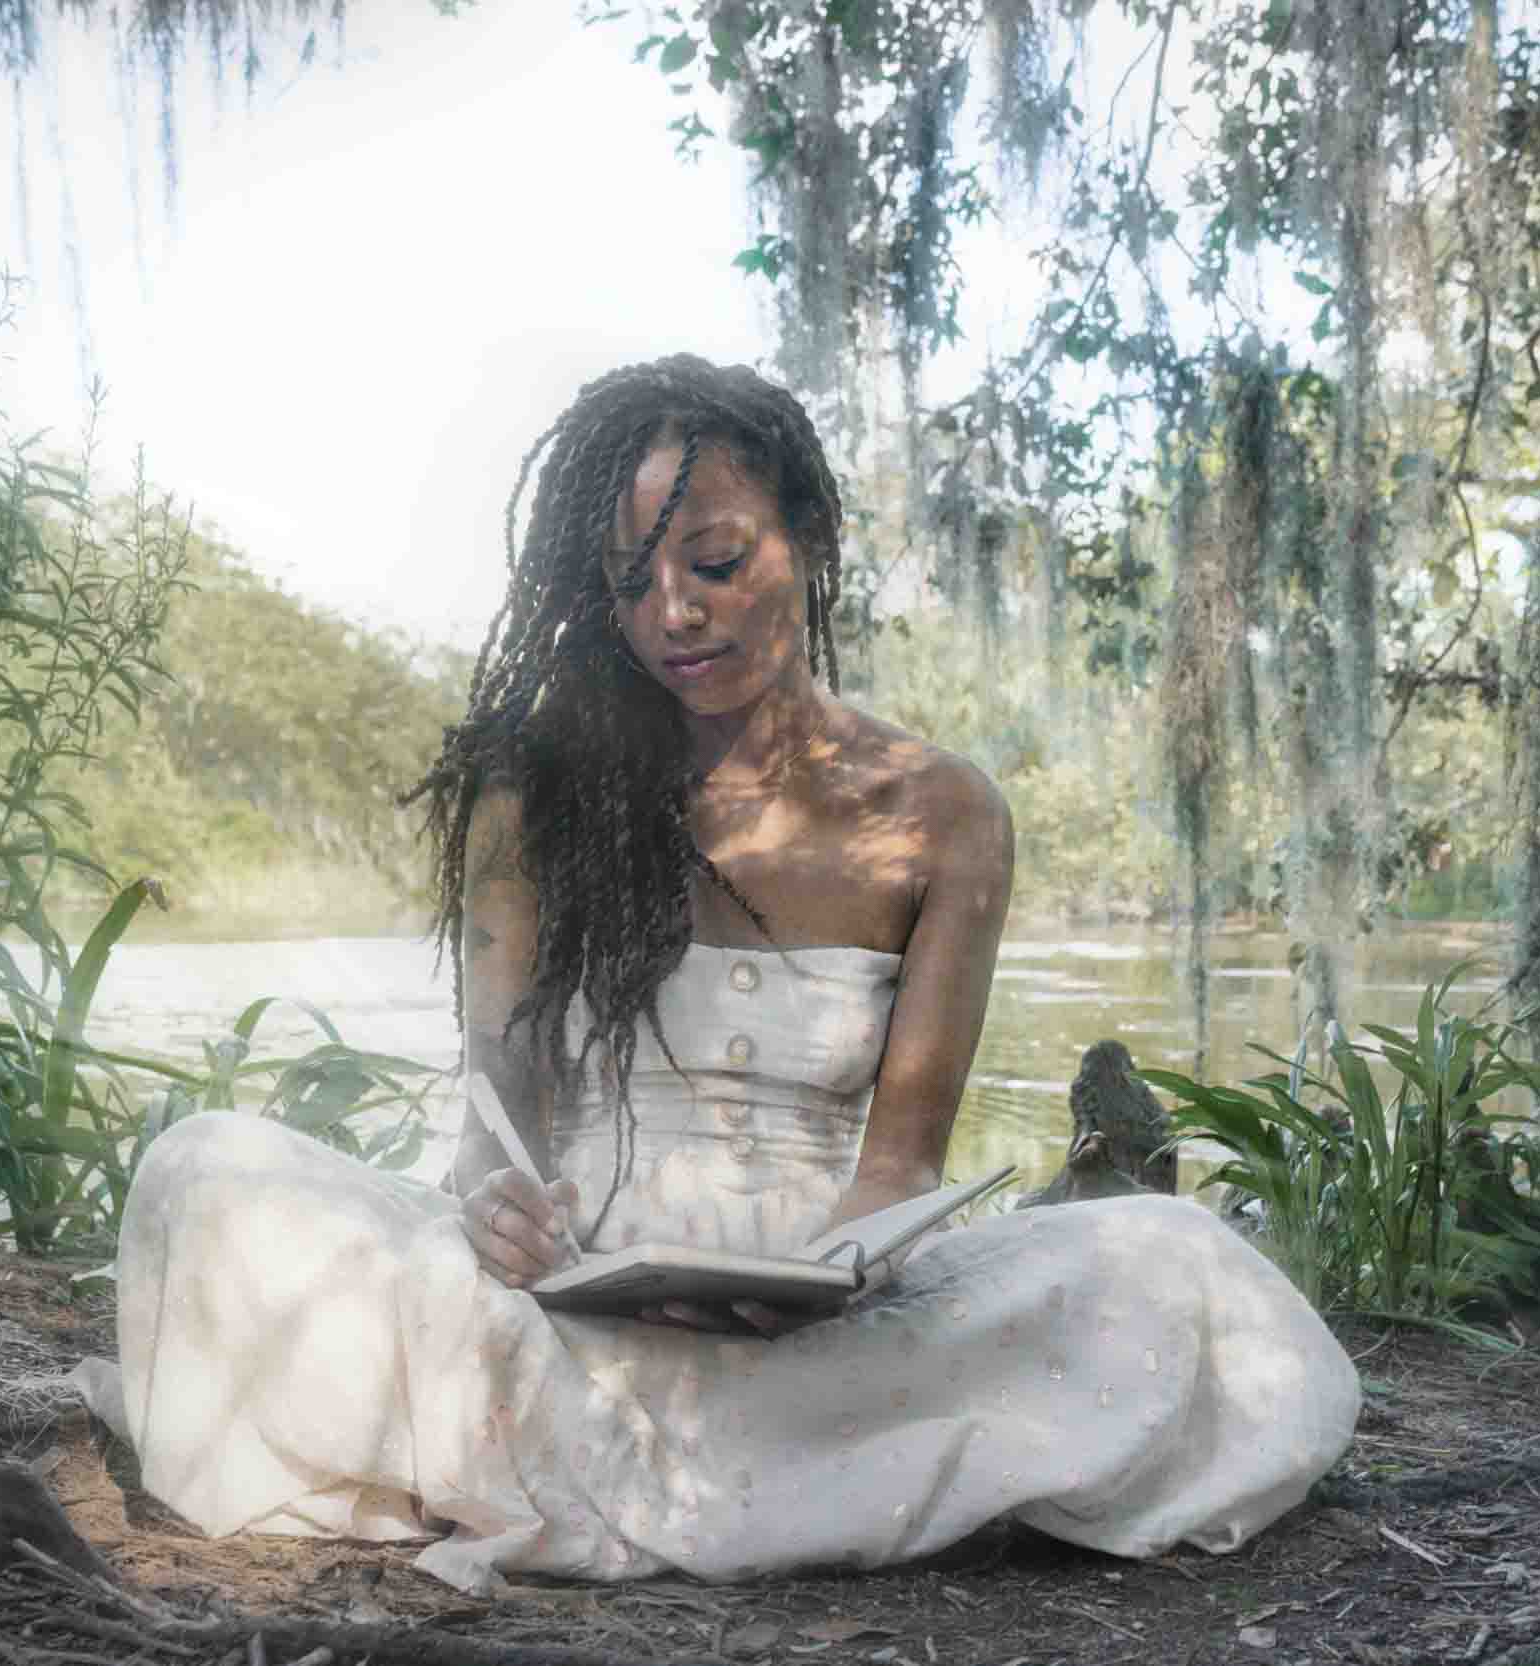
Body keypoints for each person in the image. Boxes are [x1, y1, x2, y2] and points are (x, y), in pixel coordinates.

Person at [85, 356, 1360, 1594]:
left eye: (713, 563)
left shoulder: (944, 814)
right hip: (555, 1310)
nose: (674, 617)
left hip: (820, 1329)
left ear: (807, 530)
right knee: (207, 1167)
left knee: (1176, 1260)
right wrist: (495, 1207)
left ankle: (679, 1451)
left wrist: (838, 1267)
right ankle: (773, 1472)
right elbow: (493, 1118)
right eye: (630, 585)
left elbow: (900, 1164)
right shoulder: (536, 799)